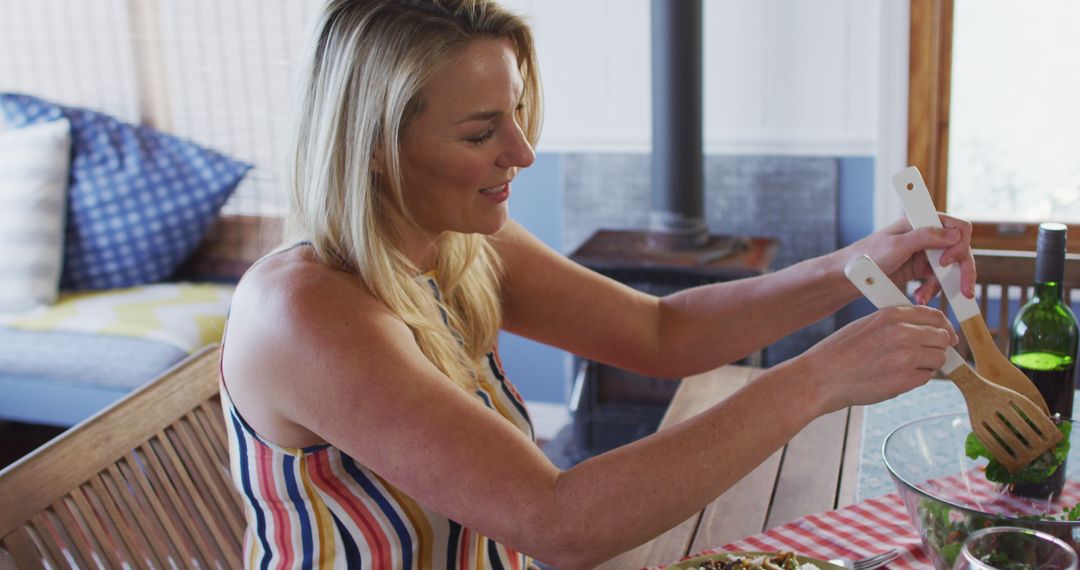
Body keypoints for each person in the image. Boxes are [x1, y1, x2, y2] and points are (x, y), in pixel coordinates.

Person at [219, 0, 976, 568]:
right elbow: (557, 521)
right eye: (481, 133)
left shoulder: (452, 241)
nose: (522, 151)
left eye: (516, 113)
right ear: (375, 148)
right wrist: (822, 379)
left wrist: (860, 264)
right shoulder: (305, 311)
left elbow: (660, 333)